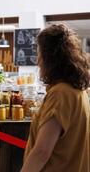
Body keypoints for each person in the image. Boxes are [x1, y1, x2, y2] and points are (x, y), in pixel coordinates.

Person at [21, 23, 90, 172]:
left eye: (40, 54)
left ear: (50, 58)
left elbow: (42, 152)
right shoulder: (78, 90)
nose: (38, 62)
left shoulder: (60, 94)